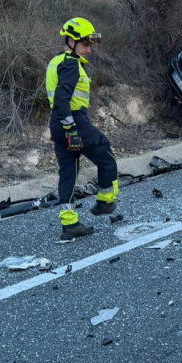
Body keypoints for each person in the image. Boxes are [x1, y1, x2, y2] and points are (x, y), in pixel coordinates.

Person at [46, 17, 119, 241]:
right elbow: (62, 100)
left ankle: (69, 223)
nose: (89, 50)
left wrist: (65, 127)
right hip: (73, 120)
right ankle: (106, 201)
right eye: (85, 44)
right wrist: (71, 129)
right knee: (106, 155)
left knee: (68, 171)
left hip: (57, 122)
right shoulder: (70, 64)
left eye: (90, 45)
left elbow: (57, 102)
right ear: (71, 41)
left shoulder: (56, 61)